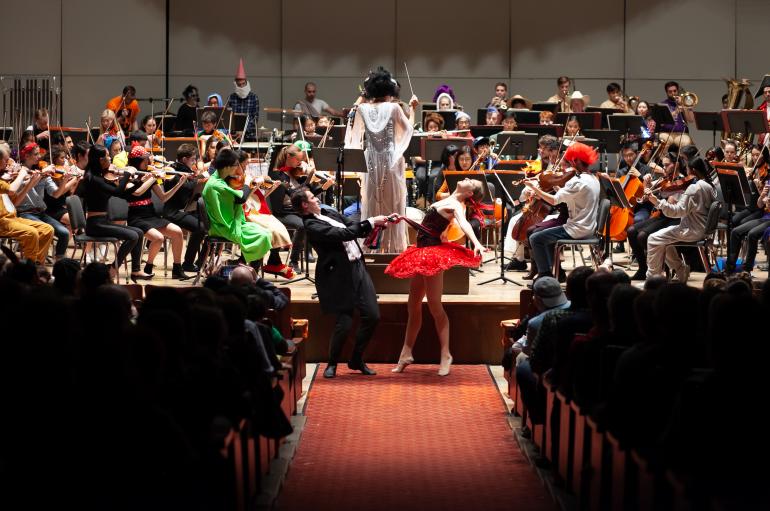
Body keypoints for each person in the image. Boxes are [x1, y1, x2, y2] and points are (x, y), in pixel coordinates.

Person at [386, 178, 486, 376]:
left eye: (470, 181)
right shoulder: (445, 199)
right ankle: (405, 354)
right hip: (422, 251)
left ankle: (446, 354)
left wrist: (476, 242)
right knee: (412, 304)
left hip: (431, 255)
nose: (465, 178)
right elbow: (435, 226)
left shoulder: (456, 205)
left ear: (469, 193)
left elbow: (464, 223)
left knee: (434, 306)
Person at [291, 187, 390, 378]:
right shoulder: (311, 225)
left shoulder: (328, 211)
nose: (317, 199)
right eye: (312, 198)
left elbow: (351, 226)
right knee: (344, 322)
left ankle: (356, 359)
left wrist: (377, 223)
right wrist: (370, 222)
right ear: (305, 205)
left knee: (372, 315)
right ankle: (332, 363)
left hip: (357, 267)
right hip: (339, 274)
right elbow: (343, 234)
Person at [345, 66, 418, 253]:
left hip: (370, 160)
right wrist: (412, 109)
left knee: (372, 203)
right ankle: (393, 249)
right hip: (390, 160)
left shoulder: (362, 108)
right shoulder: (394, 107)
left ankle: (371, 247)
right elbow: (408, 130)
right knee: (393, 202)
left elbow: (353, 130)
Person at [526, 142, 601, 280]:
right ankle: (555, 273)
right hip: (590, 227)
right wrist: (554, 186)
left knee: (535, 238)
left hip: (576, 229)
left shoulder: (577, 181)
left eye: (571, 159)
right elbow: (569, 196)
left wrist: (533, 187)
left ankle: (545, 274)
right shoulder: (593, 179)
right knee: (543, 235)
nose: (570, 162)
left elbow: (554, 201)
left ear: (577, 160)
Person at [76, 144, 150, 280]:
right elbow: (117, 191)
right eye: (108, 156)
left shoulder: (100, 176)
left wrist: (139, 182)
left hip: (103, 222)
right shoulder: (93, 179)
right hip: (95, 225)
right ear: (100, 160)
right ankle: (113, 268)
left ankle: (136, 270)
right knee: (133, 236)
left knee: (139, 233)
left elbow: (123, 195)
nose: (110, 159)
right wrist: (127, 174)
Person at [643, 157, 717, 282]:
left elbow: (676, 212)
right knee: (664, 240)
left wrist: (657, 202)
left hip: (692, 230)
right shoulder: (709, 186)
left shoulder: (694, 188)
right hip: (703, 229)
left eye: (687, 169)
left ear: (692, 170)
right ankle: (680, 269)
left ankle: (652, 279)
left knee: (653, 239)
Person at [202, 148, 272, 267]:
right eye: (236, 165)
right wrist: (249, 182)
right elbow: (241, 198)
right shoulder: (216, 185)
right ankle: (249, 270)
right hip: (223, 226)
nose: (238, 169)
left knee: (267, 233)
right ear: (227, 167)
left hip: (228, 223)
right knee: (262, 236)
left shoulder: (218, 178)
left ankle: (243, 264)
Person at [15, 143, 77, 261]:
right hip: (25, 213)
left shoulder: (43, 170)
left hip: (41, 212)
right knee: (47, 230)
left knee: (64, 233)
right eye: (36, 154)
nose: (39, 156)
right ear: (27, 156)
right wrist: (43, 173)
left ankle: (59, 264)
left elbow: (56, 194)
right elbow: (24, 183)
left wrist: (64, 180)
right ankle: (38, 262)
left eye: (39, 153)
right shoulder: (19, 171)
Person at [0, 145, 54, 264]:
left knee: (47, 229)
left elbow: (15, 203)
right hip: (2, 222)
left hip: (12, 218)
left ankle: (37, 265)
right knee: (32, 233)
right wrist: (21, 173)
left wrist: (31, 183)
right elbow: (12, 190)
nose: (8, 165)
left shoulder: (5, 179)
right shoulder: (2, 181)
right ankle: (28, 270)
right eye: (6, 161)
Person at [228, 58, 259, 141]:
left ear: (246, 82)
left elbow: (254, 118)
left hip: (250, 136)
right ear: (235, 84)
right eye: (239, 85)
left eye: (243, 84)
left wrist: (244, 131)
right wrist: (236, 131)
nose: (241, 87)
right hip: (234, 136)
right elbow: (229, 117)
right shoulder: (231, 98)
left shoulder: (254, 98)